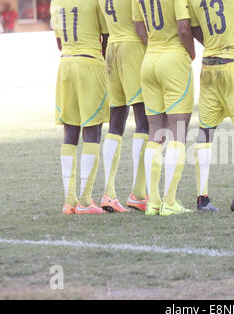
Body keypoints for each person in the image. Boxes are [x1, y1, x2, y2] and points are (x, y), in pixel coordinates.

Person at [188, 0, 234, 212]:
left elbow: (193, 27)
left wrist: (213, 46)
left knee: (205, 131)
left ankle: (202, 198)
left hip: (209, 64)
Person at [132, 0, 195, 216]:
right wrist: (191, 54)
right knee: (178, 133)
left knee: (155, 133)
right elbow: (184, 28)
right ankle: (169, 202)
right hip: (173, 58)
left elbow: (139, 26)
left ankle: (153, 202)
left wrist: (153, 46)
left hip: (149, 60)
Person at [51, 0, 110, 215]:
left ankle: (69, 201)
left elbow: (58, 41)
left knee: (70, 132)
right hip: (90, 63)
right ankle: (85, 200)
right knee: (92, 131)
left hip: (66, 63)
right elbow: (107, 35)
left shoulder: (55, 2)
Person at [97, 0, 149, 213]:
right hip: (133, 47)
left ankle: (109, 193)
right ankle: (138, 194)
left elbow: (103, 30)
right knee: (144, 120)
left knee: (116, 121)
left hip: (111, 49)